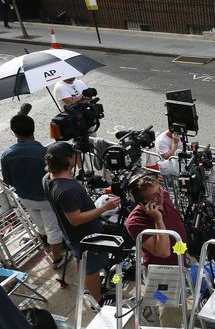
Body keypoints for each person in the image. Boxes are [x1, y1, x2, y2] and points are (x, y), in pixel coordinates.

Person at [43, 141, 120, 305]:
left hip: (73, 235)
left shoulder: (47, 178)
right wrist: (105, 207)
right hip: (85, 235)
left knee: (82, 260)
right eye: (73, 155)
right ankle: (98, 299)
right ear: (68, 159)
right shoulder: (67, 190)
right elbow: (75, 219)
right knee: (91, 267)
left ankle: (88, 287)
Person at [1, 111, 68, 268]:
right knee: (53, 229)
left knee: (41, 225)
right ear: (33, 129)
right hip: (46, 198)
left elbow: (8, 180)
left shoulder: (7, 155)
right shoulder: (45, 153)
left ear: (14, 132)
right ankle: (57, 259)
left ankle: (47, 245)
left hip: (25, 198)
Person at [125, 172, 187, 327]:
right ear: (141, 202)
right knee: (169, 311)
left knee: (180, 301)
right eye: (154, 196)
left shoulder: (164, 195)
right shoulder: (134, 222)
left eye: (160, 191)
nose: (161, 197)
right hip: (162, 274)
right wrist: (158, 219)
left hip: (180, 259)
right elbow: (163, 252)